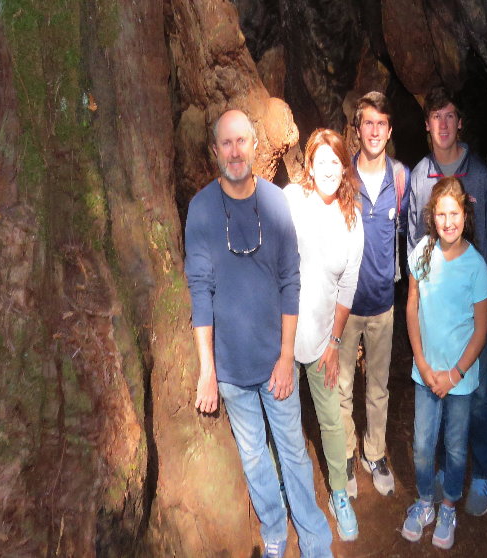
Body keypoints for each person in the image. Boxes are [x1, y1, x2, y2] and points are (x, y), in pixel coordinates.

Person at [184, 110, 333, 558]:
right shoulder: (202, 209)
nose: (234, 152)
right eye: (225, 144)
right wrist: (207, 371)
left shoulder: (273, 203)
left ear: (254, 146)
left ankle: (313, 538)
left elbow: (291, 279)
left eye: (241, 142)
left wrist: (287, 357)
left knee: (291, 452)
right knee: (254, 458)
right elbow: (200, 290)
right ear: (215, 151)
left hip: (274, 364)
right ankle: (273, 531)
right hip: (230, 370)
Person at [407, 86, 487, 516]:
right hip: (436, 315)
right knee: (436, 407)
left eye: (451, 116)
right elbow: (414, 241)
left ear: (460, 122)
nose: (444, 125)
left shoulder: (482, 178)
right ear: (428, 125)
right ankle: (442, 482)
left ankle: (484, 473)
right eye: (437, 117)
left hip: (476, 313)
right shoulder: (419, 177)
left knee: (479, 398)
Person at [401, 177, 487, 549]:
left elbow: (481, 330)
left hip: (460, 380)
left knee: (455, 446)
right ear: (432, 218)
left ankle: (449, 504)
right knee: (424, 444)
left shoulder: (476, 266)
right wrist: (422, 364)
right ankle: (426, 501)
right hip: (425, 374)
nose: (447, 222)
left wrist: (454, 374)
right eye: (440, 215)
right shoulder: (423, 251)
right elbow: (412, 305)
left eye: (454, 214)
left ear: (465, 216)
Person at [284, 128, 364, 541]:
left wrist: (334, 342)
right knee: (285, 419)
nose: (330, 169)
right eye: (322, 161)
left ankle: (338, 492)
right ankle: (290, 491)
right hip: (281, 337)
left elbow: (347, 287)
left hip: (319, 340)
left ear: (343, 168)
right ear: (309, 168)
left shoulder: (352, 220)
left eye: (337, 161)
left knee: (331, 419)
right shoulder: (292, 200)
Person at [336, 91, 410, 499]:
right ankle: (347, 455)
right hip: (345, 308)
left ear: (389, 130)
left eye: (382, 124)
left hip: (383, 304)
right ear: (357, 130)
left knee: (378, 387)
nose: (375, 131)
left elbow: (410, 235)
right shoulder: (342, 177)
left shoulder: (401, 178)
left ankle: (374, 453)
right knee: (343, 387)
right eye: (368, 123)